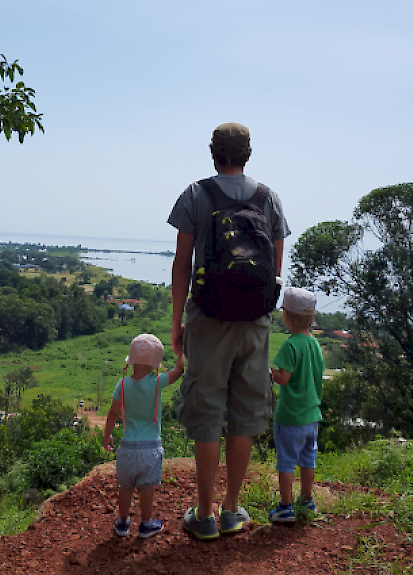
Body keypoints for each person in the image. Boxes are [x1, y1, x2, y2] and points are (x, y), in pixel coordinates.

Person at [168, 122, 291, 540]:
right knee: (244, 413)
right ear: (248, 153)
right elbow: (274, 269)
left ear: (213, 152)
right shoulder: (268, 198)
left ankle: (203, 515)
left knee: (206, 412)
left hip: (209, 318)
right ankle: (233, 510)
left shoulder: (195, 195)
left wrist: (177, 323)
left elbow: (182, 263)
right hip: (255, 322)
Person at [103, 333, 185, 539]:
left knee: (126, 487)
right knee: (147, 488)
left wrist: (107, 435)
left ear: (130, 362)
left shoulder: (122, 384)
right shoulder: (157, 382)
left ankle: (122, 523)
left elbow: (113, 412)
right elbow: (179, 371)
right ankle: (146, 524)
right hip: (150, 447)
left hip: (127, 447)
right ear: (155, 364)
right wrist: (179, 352)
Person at [269, 287, 324, 523]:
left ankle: (285, 506)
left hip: (290, 416)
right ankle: (307, 499)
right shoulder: (315, 345)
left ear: (287, 316)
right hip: (312, 415)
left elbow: (283, 377)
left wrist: (267, 371)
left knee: (287, 462)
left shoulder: (290, 346)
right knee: (307, 460)